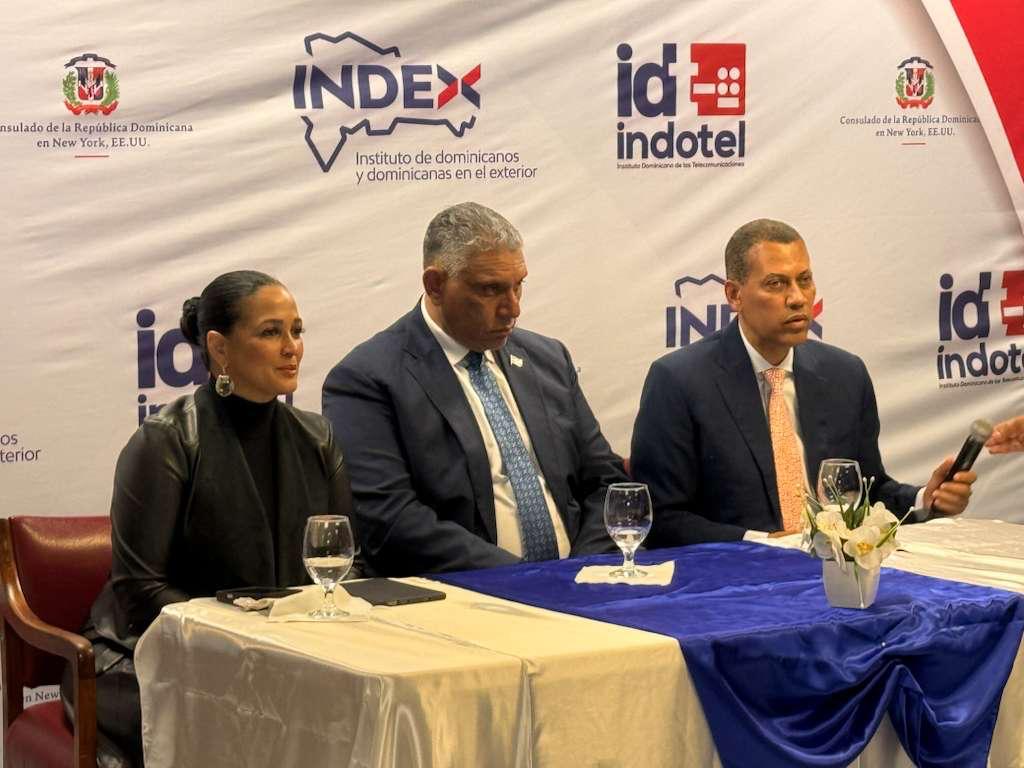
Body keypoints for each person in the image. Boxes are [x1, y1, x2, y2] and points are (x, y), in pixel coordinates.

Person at [65, 271, 353, 767]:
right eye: (271, 332)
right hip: (149, 655)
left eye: (297, 330)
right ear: (219, 348)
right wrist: (247, 640)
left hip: (287, 652)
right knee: (255, 719)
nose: (292, 348)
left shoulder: (318, 437)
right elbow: (141, 592)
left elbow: (346, 562)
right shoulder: (165, 440)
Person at [322, 201, 626, 575]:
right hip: (464, 594)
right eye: (490, 289)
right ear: (435, 285)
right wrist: (524, 580)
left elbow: (607, 483)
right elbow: (392, 522)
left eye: (519, 286)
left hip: (579, 584)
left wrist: (582, 570)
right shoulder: (368, 378)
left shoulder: (548, 359)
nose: (512, 309)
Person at [631, 218, 976, 547]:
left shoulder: (845, 374)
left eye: (805, 279)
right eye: (776, 283)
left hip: (833, 570)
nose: (797, 298)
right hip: (736, 575)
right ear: (735, 295)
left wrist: (924, 500)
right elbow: (661, 519)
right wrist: (764, 544)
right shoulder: (679, 381)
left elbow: (865, 493)